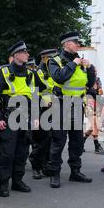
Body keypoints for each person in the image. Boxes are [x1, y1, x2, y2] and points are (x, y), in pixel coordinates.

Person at [47, 31, 96, 189]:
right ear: (67, 44)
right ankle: (54, 173)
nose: (78, 45)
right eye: (75, 42)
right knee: (58, 141)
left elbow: (89, 83)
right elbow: (59, 78)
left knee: (77, 141)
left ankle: (75, 171)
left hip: (76, 105)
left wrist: (89, 68)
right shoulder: (54, 61)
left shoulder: (80, 61)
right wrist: (74, 63)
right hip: (61, 105)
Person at [0, 41, 34, 197]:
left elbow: (33, 96)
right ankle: (3, 183)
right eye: (25, 52)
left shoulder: (30, 73)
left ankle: (17, 181)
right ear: (16, 55)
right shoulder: (2, 72)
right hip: (9, 117)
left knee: (22, 152)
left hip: (25, 117)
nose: (28, 55)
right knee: (6, 153)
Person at [29, 49, 57, 180]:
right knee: (41, 140)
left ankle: (46, 165)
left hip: (53, 110)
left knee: (51, 139)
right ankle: (36, 167)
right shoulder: (36, 73)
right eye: (51, 57)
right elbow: (34, 94)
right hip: (41, 110)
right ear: (45, 58)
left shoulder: (53, 71)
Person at [84, 73, 104, 154]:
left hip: (97, 104)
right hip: (89, 104)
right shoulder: (86, 81)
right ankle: (97, 146)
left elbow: (100, 93)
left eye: (95, 72)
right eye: (93, 71)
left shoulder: (98, 80)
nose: (94, 73)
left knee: (93, 126)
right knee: (94, 124)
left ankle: (81, 142)